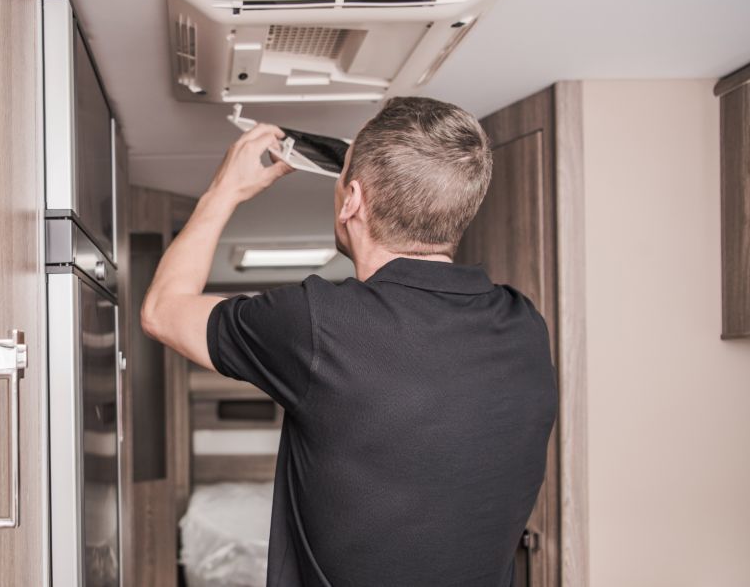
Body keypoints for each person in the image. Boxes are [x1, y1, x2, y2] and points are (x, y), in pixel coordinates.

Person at [141, 96, 558, 587]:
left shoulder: (318, 324)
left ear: (353, 200)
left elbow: (161, 311)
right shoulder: (525, 325)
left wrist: (222, 192)